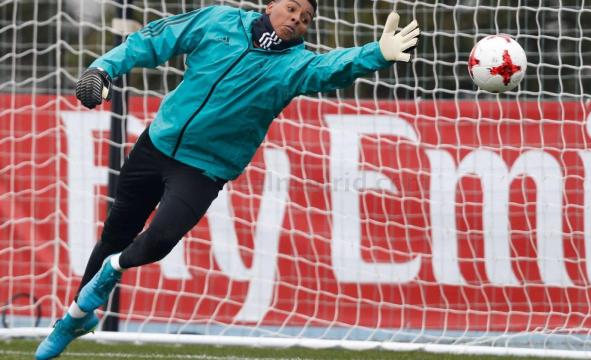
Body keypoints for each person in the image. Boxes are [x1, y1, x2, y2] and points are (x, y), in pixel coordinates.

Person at [35, 0, 419, 358]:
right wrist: (104, 67)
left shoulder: (295, 66)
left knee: (159, 242)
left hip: (204, 169)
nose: (296, 20)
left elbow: (333, 69)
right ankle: (73, 318)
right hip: (156, 145)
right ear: (269, 5)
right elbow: (155, 39)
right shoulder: (218, 20)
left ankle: (113, 270)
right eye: (291, 8)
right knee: (114, 234)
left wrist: (376, 54)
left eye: (305, 19)